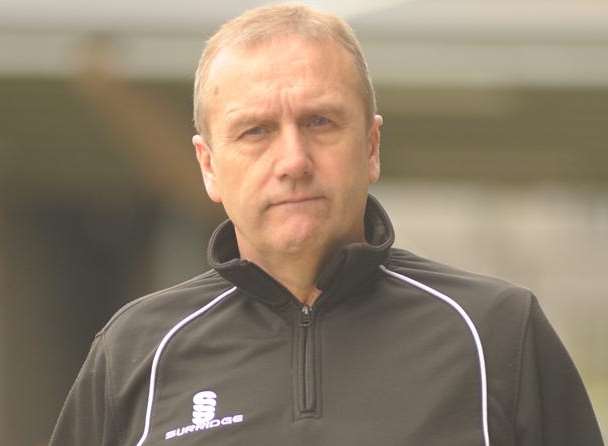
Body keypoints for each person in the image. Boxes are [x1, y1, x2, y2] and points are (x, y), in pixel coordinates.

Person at [50, 4, 604, 446]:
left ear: (370, 146)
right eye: (256, 131)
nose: (293, 161)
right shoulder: (135, 349)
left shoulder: (497, 333)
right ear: (209, 165)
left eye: (320, 121)